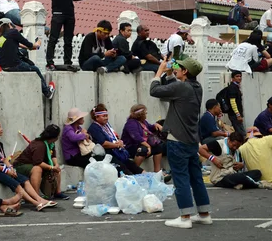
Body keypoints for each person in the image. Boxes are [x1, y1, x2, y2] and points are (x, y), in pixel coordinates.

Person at [150, 57, 211, 229]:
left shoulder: (181, 87)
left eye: (179, 67)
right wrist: (171, 72)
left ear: (185, 72)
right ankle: (204, 214)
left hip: (177, 140)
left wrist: (161, 70)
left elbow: (155, 91)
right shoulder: (196, 87)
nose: (176, 68)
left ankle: (185, 217)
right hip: (191, 140)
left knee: (181, 179)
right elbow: (174, 89)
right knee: (196, 178)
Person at [0, 120, 57, 211]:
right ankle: (36, 203)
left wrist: (11, 168)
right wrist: (6, 171)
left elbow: (4, 159)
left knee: (25, 180)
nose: (2, 129)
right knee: (16, 184)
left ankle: (40, 199)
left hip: (2, 168)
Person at [45, 0, 96, 71]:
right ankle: (49, 62)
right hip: (58, 13)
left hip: (70, 14)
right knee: (53, 38)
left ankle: (68, 62)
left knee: (68, 40)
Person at [0, 18, 55, 99]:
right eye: (12, 25)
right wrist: (39, 42)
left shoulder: (1, 37)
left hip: (4, 67)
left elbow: (20, 45)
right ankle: (47, 92)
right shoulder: (13, 32)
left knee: (23, 53)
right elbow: (30, 45)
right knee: (35, 69)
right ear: (9, 24)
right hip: (14, 65)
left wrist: (31, 47)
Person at [13, 124, 69, 200]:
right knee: (37, 169)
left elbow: (53, 156)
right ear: (54, 137)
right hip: (21, 166)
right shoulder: (39, 145)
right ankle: (36, 196)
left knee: (57, 169)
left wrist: (56, 165)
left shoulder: (51, 143)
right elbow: (38, 162)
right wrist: (51, 167)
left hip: (35, 164)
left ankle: (57, 192)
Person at [89, 105, 145, 175]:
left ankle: (149, 177)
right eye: (104, 116)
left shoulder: (106, 125)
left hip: (116, 152)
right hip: (107, 155)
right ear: (97, 117)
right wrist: (117, 145)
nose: (106, 118)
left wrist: (119, 141)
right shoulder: (94, 128)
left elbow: (115, 137)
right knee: (124, 169)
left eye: (107, 115)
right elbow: (103, 143)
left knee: (133, 166)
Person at [121, 104, 166, 173]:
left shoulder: (143, 122)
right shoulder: (131, 123)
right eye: (145, 113)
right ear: (141, 114)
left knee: (158, 147)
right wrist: (148, 146)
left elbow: (150, 127)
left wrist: (155, 125)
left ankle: (157, 172)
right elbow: (137, 138)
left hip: (141, 145)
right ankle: (134, 171)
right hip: (130, 148)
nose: (146, 114)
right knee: (143, 150)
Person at [225, 70, 246, 136]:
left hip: (235, 114)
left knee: (239, 133)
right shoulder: (232, 88)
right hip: (235, 115)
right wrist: (238, 115)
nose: (239, 78)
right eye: (237, 76)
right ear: (233, 78)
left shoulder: (236, 87)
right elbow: (233, 102)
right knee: (242, 134)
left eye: (240, 76)